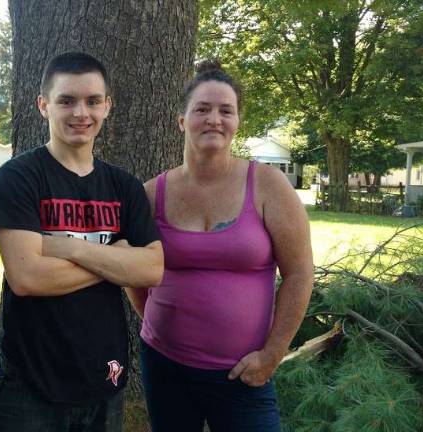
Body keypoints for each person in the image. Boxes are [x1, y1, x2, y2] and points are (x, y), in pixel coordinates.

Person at [129, 60, 314, 431]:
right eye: (202, 109)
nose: (214, 119)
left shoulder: (268, 186)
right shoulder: (151, 194)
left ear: (237, 121)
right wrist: (154, 323)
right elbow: (133, 273)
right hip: (165, 366)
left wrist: (272, 354)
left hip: (243, 373)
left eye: (225, 110)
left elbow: (299, 273)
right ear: (182, 120)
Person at [0, 51, 164, 432]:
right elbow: (27, 277)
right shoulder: (19, 178)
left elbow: (151, 269)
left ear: (107, 106)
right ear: (43, 105)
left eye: (92, 101)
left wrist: (72, 248)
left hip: (104, 377)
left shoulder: (124, 186)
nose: (80, 112)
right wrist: (115, 262)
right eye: (66, 100)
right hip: (28, 384)